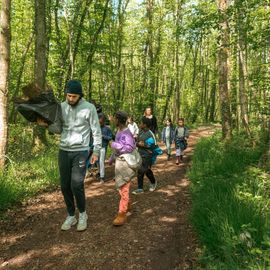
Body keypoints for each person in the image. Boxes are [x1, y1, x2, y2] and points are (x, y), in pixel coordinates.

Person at [39, 80, 102, 231]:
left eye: (74, 96)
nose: (71, 99)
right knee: (65, 185)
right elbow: (59, 128)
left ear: (80, 96)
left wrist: (96, 151)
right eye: (68, 96)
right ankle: (70, 215)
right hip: (64, 150)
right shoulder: (61, 106)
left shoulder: (89, 108)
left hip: (80, 151)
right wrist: (46, 125)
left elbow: (96, 131)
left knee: (77, 184)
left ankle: (82, 214)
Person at [111, 111, 137, 226]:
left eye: (114, 118)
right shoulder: (119, 131)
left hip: (126, 164)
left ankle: (122, 213)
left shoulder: (127, 133)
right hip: (119, 162)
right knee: (120, 188)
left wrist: (114, 145)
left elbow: (129, 147)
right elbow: (117, 147)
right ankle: (127, 206)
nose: (113, 120)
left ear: (119, 120)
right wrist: (111, 158)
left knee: (124, 187)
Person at [132, 117, 158, 195]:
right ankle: (140, 188)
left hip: (147, 155)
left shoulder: (150, 134)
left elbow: (154, 145)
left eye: (141, 123)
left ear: (145, 125)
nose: (140, 124)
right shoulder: (140, 132)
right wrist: (136, 143)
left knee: (144, 170)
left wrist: (144, 145)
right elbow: (137, 142)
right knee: (143, 171)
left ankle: (152, 182)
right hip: (140, 154)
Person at [97, 113, 113, 183]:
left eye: (101, 122)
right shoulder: (96, 128)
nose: (100, 123)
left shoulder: (107, 129)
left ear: (103, 121)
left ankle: (102, 177)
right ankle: (100, 173)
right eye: (98, 122)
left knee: (101, 161)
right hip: (96, 147)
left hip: (103, 147)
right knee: (97, 161)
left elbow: (110, 137)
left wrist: (103, 136)